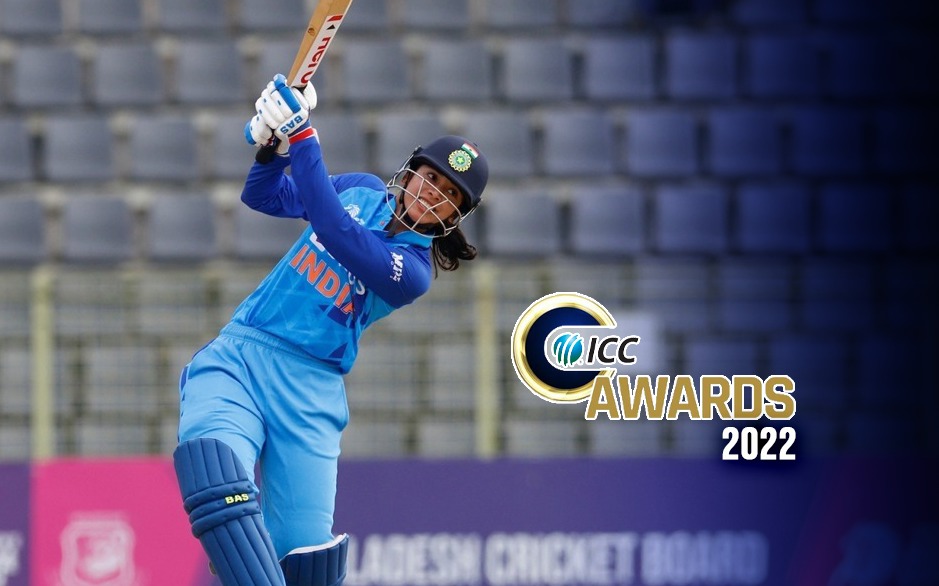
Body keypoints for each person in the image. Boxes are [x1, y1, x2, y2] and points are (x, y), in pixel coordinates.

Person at [172, 74, 488, 586]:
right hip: (242, 359)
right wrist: (271, 147)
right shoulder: (362, 189)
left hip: (311, 392)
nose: (433, 194)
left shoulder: (413, 272)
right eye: (431, 177)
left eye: (450, 193)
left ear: (457, 214)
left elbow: (336, 231)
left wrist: (302, 135)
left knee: (305, 561)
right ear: (411, 171)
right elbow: (263, 196)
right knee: (218, 478)